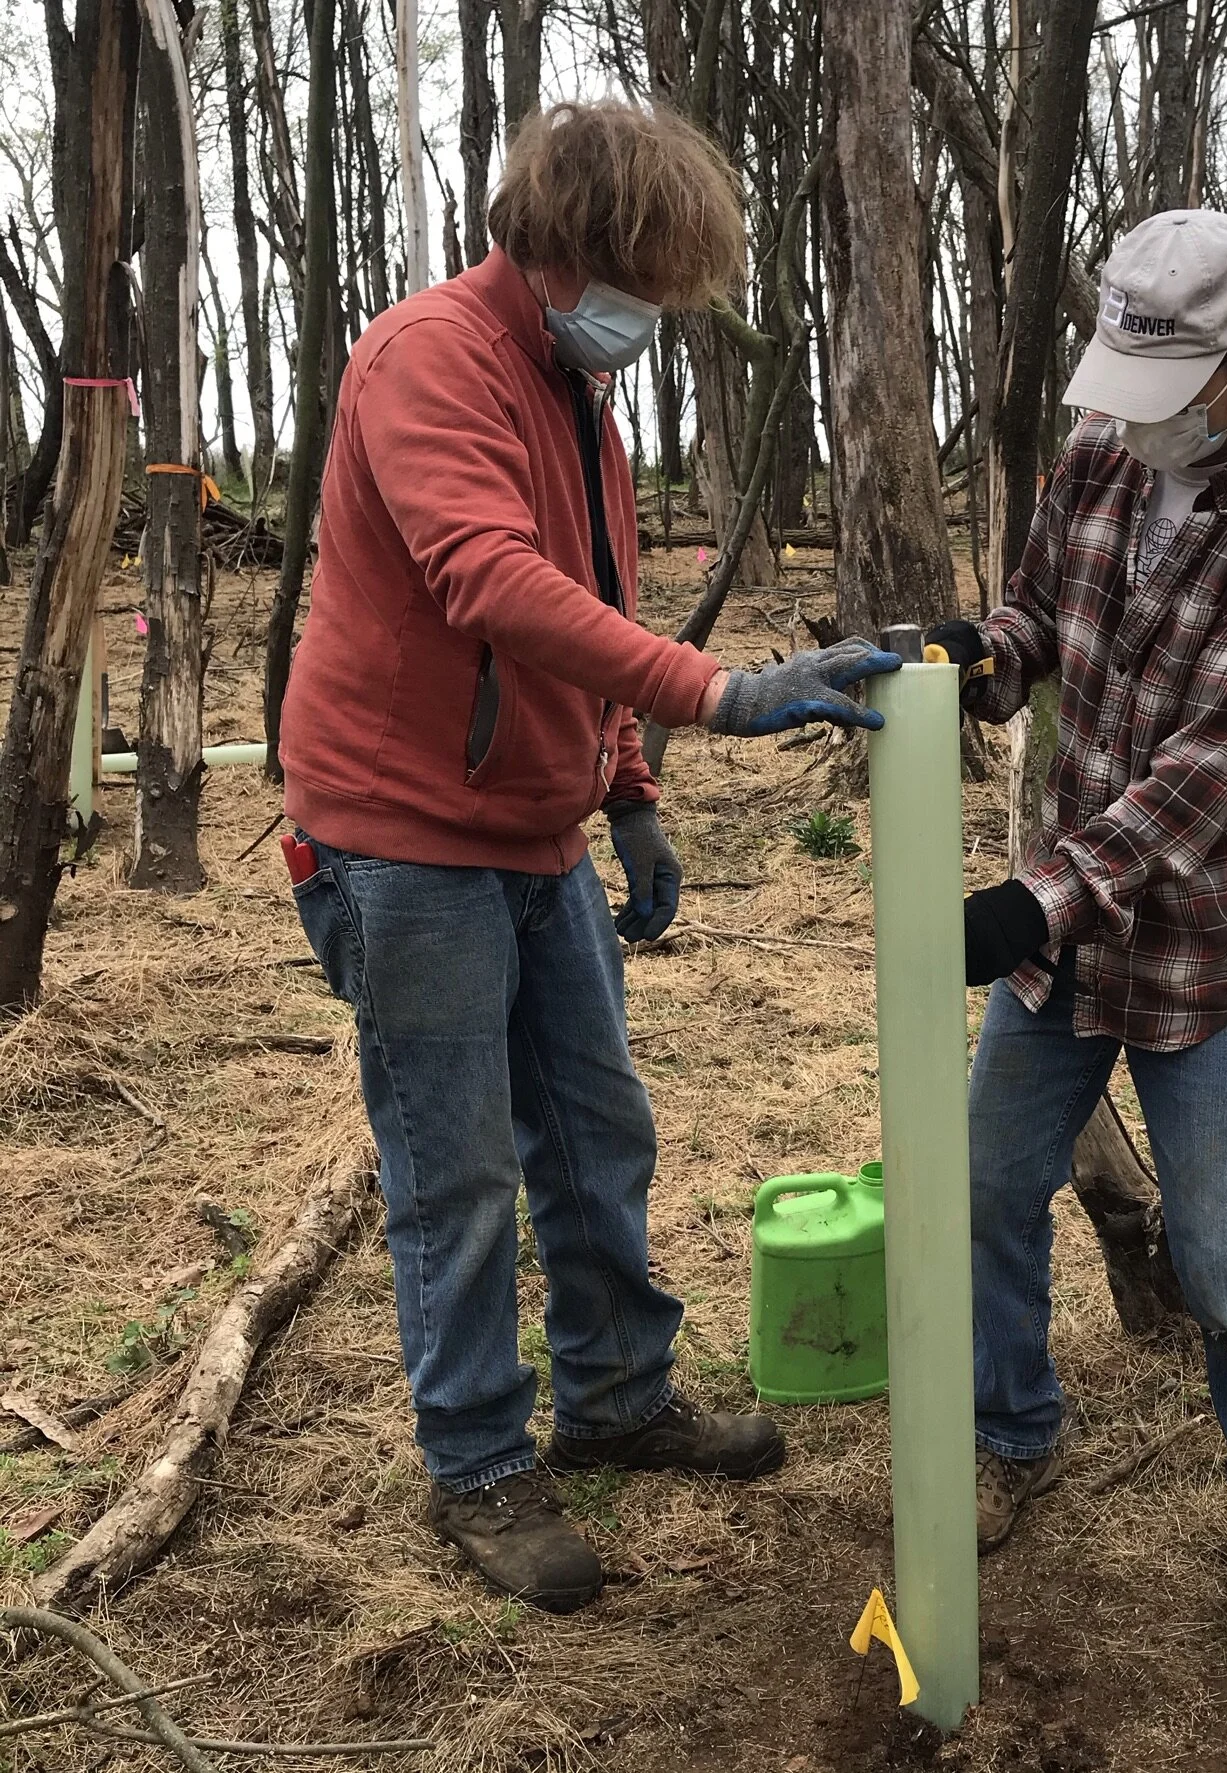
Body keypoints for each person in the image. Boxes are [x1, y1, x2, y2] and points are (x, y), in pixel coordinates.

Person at [278, 100, 899, 1614]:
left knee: (597, 1125)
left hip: (532, 829)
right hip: (400, 837)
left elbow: (586, 597)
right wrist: (712, 694)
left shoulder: (575, 394)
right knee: (460, 1166)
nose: (651, 323)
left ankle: (618, 1392)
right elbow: (488, 580)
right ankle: (479, 1462)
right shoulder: (430, 360)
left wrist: (626, 789)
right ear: (558, 254)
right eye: (640, 285)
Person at [927, 210, 1227, 1673]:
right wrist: (983, 662)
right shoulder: (1106, 448)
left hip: (1206, 944)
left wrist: (1032, 903)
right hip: (1075, 931)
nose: (1143, 423)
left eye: (1177, 392)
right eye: (1129, 384)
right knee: (985, 1184)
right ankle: (1009, 1430)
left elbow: (1199, 789)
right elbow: (1044, 610)